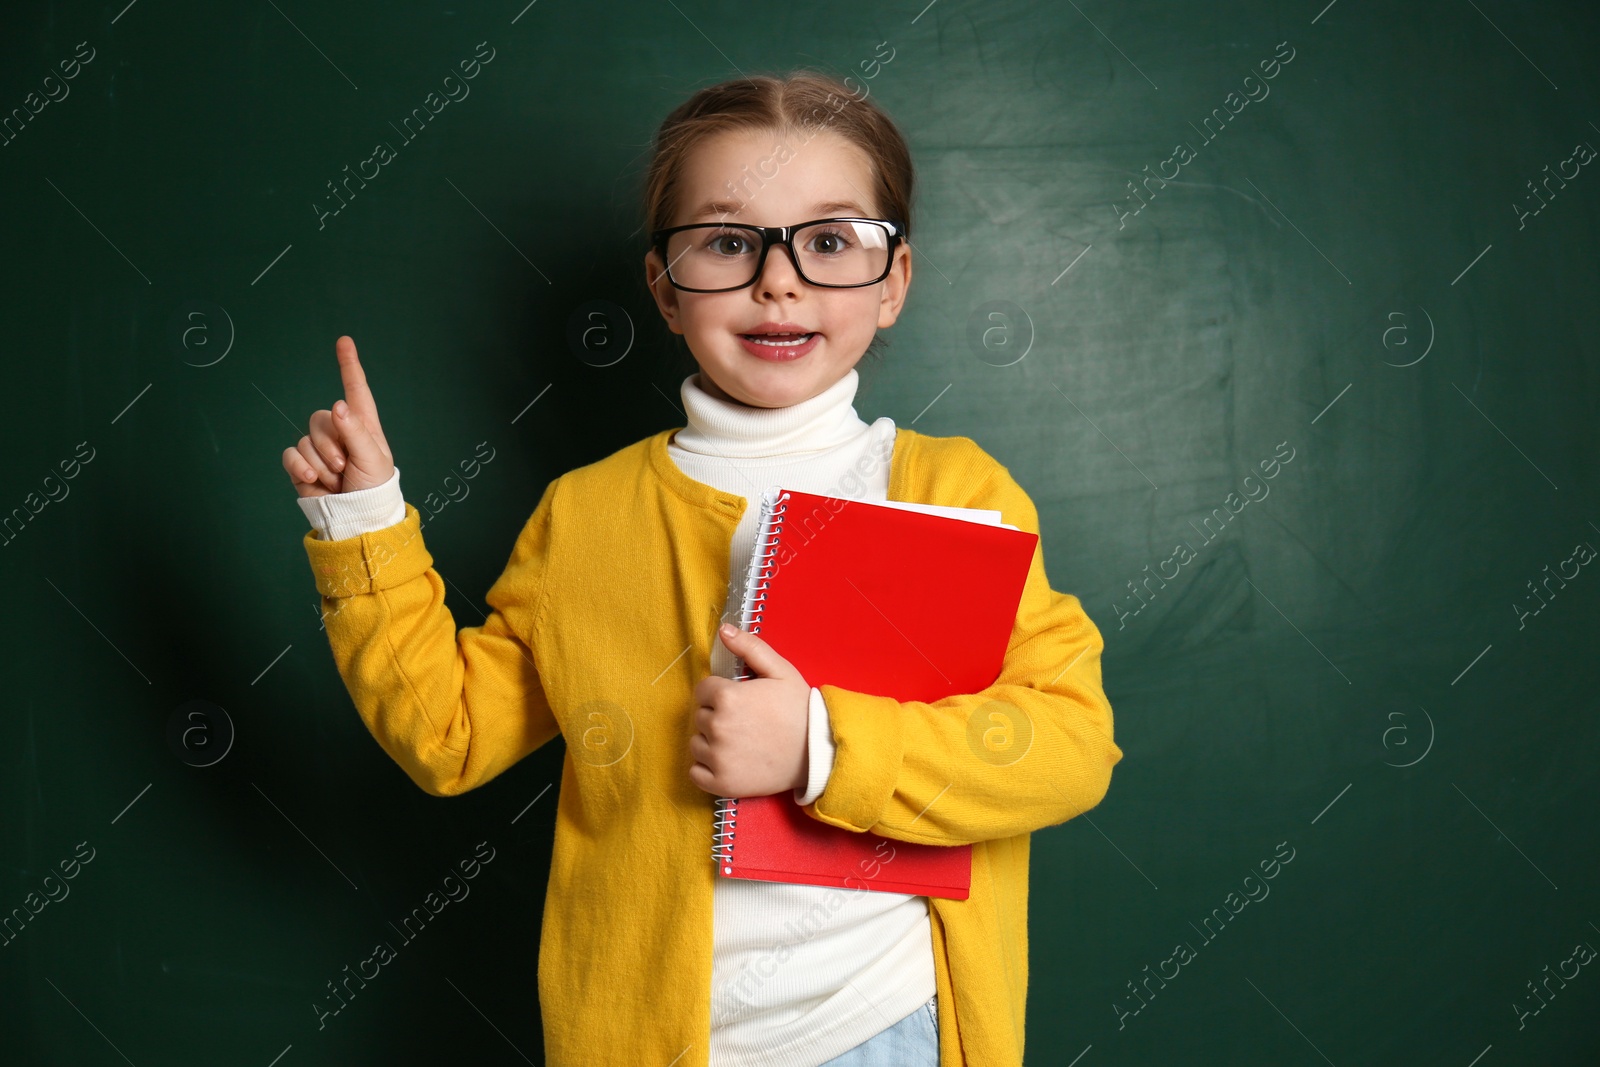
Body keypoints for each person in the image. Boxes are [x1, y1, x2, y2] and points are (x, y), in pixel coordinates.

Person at [283, 70, 1122, 1067]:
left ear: (893, 281)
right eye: (727, 242)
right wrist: (366, 520)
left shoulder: (951, 489)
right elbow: (447, 733)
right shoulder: (585, 513)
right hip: (650, 1039)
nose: (779, 280)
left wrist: (818, 742)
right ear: (663, 287)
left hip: (884, 1025)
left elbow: (1067, 744)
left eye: (830, 241)